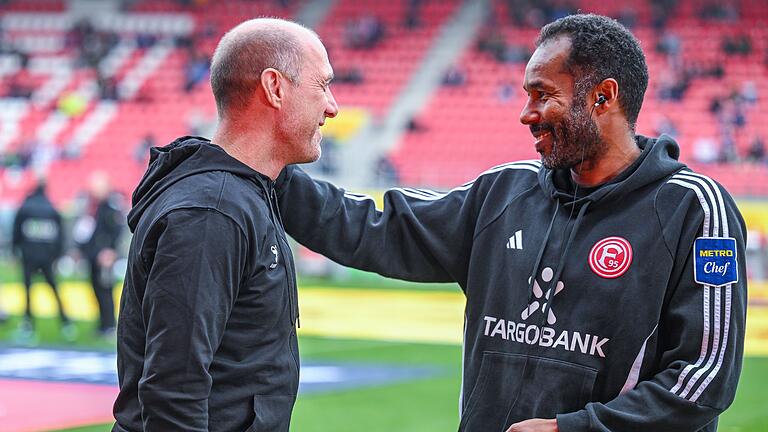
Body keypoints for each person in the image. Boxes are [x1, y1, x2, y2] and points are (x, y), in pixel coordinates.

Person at [276, 14, 747, 432]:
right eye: (527, 96)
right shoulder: (502, 193)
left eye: (543, 96)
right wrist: (268, 165)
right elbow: (374, 227)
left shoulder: (700, 211)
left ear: (603, 98)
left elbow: (704, 377)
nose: (527, 114)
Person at [112, 17, 338, 432]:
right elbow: (173, 392)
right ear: (274, 88)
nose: (332, 106)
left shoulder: (242, 195)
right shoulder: (213, 212)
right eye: (322, 85)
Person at [12, 180, 73, 339]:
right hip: (47, 257)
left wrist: (15, 250)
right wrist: (57, 255)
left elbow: (16, 232)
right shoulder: (51, 208)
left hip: (29, 255)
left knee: (27, 289)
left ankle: (28, 324)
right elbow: (60, 235)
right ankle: (65, 322)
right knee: (53, 287)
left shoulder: (25, 208)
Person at [73, 172, 123, 337]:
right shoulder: (92, 207)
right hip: (92, 256)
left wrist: (111, 251)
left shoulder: (111, 207)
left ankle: (109, 325)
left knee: (105, 290)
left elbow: (116, 231)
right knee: (95, 288)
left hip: (105, 258)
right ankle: (102, 323)